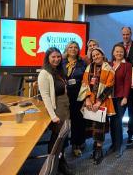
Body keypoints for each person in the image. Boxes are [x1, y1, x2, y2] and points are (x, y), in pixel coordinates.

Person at [38, 47, 73, 175]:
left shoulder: (58, 71)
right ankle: (54, 163)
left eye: (58, 57)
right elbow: (46, 96)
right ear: (48, 58)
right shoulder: (44, 73)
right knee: (57, 138)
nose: (56, 59)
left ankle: (60, 160)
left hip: (65, 106)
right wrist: (53, 116)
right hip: (56, 108)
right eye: (53, 57)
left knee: (62, 137)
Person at [78, 47, 116, 165]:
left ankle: (98, 151)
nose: (96, 57)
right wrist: (88, 99)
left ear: (102, 55)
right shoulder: (89, 68)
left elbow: (110, 87)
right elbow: (85, 83)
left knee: (100, 128)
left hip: (102, 101)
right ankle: (95, 148)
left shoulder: (109, 68)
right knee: (92, 127)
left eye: (98, 54)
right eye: (93, 56)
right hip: (90, 101)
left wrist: (99, 101)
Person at [62, 41, 86, 157]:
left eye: (75, 47)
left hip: (78, 96)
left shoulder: (82, 63)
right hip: (63, 96)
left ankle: (76, 145)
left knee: (77, 122)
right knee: (64, 122)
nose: (73, 49)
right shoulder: (61, 62)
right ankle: (62, 146)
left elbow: (86, 80)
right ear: (67, 49)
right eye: (70, 47)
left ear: (78, 50)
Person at [109, 43, 132, 157]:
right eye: (117, 51)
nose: (119, 53)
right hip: (109, 98)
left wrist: (125, 97)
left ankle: (118, 147)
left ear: (124, 53)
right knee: (112, 121)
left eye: (121, 52)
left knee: (118, 121)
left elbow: (127, 82)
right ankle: (113, 144)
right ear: (113, 52)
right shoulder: (108, 64)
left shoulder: (127, 65)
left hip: (120, 97)